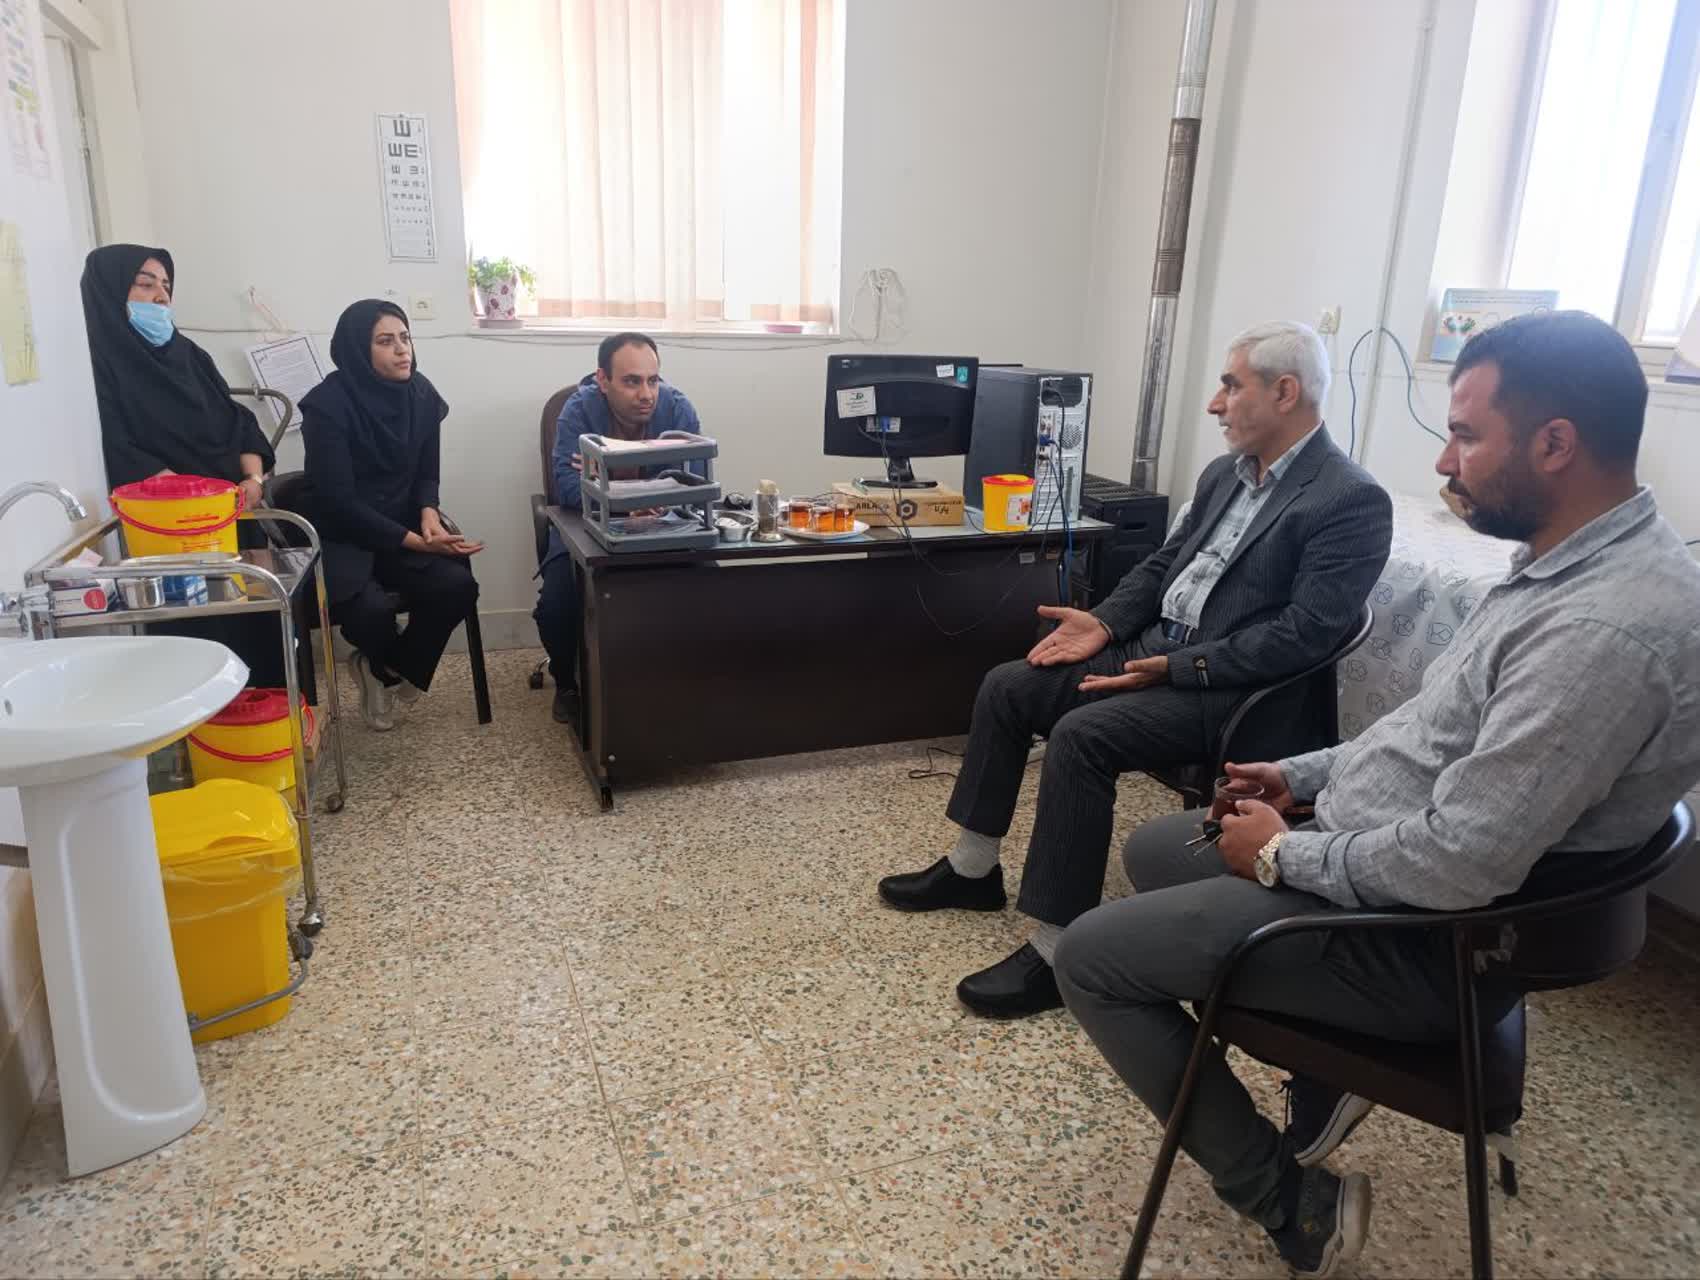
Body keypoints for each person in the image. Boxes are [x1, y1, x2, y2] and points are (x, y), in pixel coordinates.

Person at [1053, 311, 1700, 1278]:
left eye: (1466, 434)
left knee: (1093, 959)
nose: (1443, 460)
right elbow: (1429, 730)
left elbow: (1461, 861)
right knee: (1158, 850)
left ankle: (1289, 1202)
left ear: (1556, 444)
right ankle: (1313, 1066)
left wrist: (1284, 853)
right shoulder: (1566, 563)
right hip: (1408, 872)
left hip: (1429, 941)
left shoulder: (1601, 632)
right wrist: (1301, 777)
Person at [877, 321, 1393, 1018]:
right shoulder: (1225, 475)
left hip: (1229, 687)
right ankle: (973, 870)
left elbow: (1305, 635)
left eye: (1231, 385)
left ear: (1285, 392)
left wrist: (1175, 667)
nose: (1215, 403)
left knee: (1083, 736)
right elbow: (1162, 566)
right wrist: (1105, 623)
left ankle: (1057, 952)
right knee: (1009, 686)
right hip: (1154, 646)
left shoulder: (1350, 498)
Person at [79, 244, 287, 685]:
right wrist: (187, 498)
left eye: (166, 286)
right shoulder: (99, 363)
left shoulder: (189, 354)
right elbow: (121, 446)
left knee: (260, 631)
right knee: (199, 649)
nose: (160, 296)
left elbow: (239, 422)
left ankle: (263, 717)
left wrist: (252, 478)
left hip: (233, 515)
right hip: (173, 530)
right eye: (145, 284)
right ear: (111, 290)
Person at [300, 300, 483, 731]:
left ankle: (386, 668)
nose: (402, 350)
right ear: (356, 349)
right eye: (385, 341)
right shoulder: (327, 406)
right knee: (369, 611)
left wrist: (428, 515)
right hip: (343, 534)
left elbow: (427, 472)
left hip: (402, 525)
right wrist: (417, 542)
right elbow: (339, 502)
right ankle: (388, 666)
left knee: (458, 586)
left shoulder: (421, 394)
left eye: (405, 337)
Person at [533, 332, 703, 724]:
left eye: (652, 380)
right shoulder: (578, 410)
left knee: (705, 582)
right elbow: (567, 486)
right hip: (584, 526)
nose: (646, 394)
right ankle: (567, 684)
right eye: (631, 381)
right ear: (603, 380)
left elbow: (690, 483)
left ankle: (684, 681)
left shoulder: (678, 410)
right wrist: (642, 496)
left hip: (662, 527)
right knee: (557, 602)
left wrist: (609, 484)